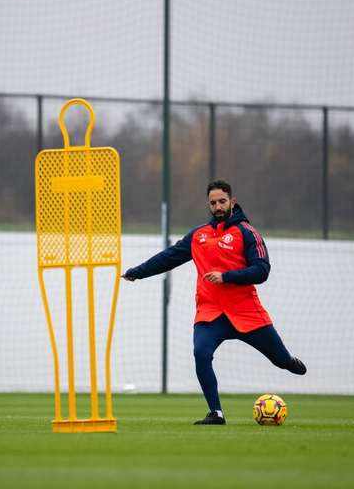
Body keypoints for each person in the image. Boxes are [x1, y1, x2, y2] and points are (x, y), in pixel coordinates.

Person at [122, 180, 306, 425]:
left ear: (232, 201)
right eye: (213, 203)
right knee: (201, 352)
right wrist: (137, 272)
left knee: (280, 361)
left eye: (222, 201)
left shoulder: (247, 233)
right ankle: (216, 413)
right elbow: (169, 257)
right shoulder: (199, 235)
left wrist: (226, 276)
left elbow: (262, 271)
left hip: (246, 312)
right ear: (208, 205)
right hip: (210, 313)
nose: (218, 206)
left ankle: (287, 361)